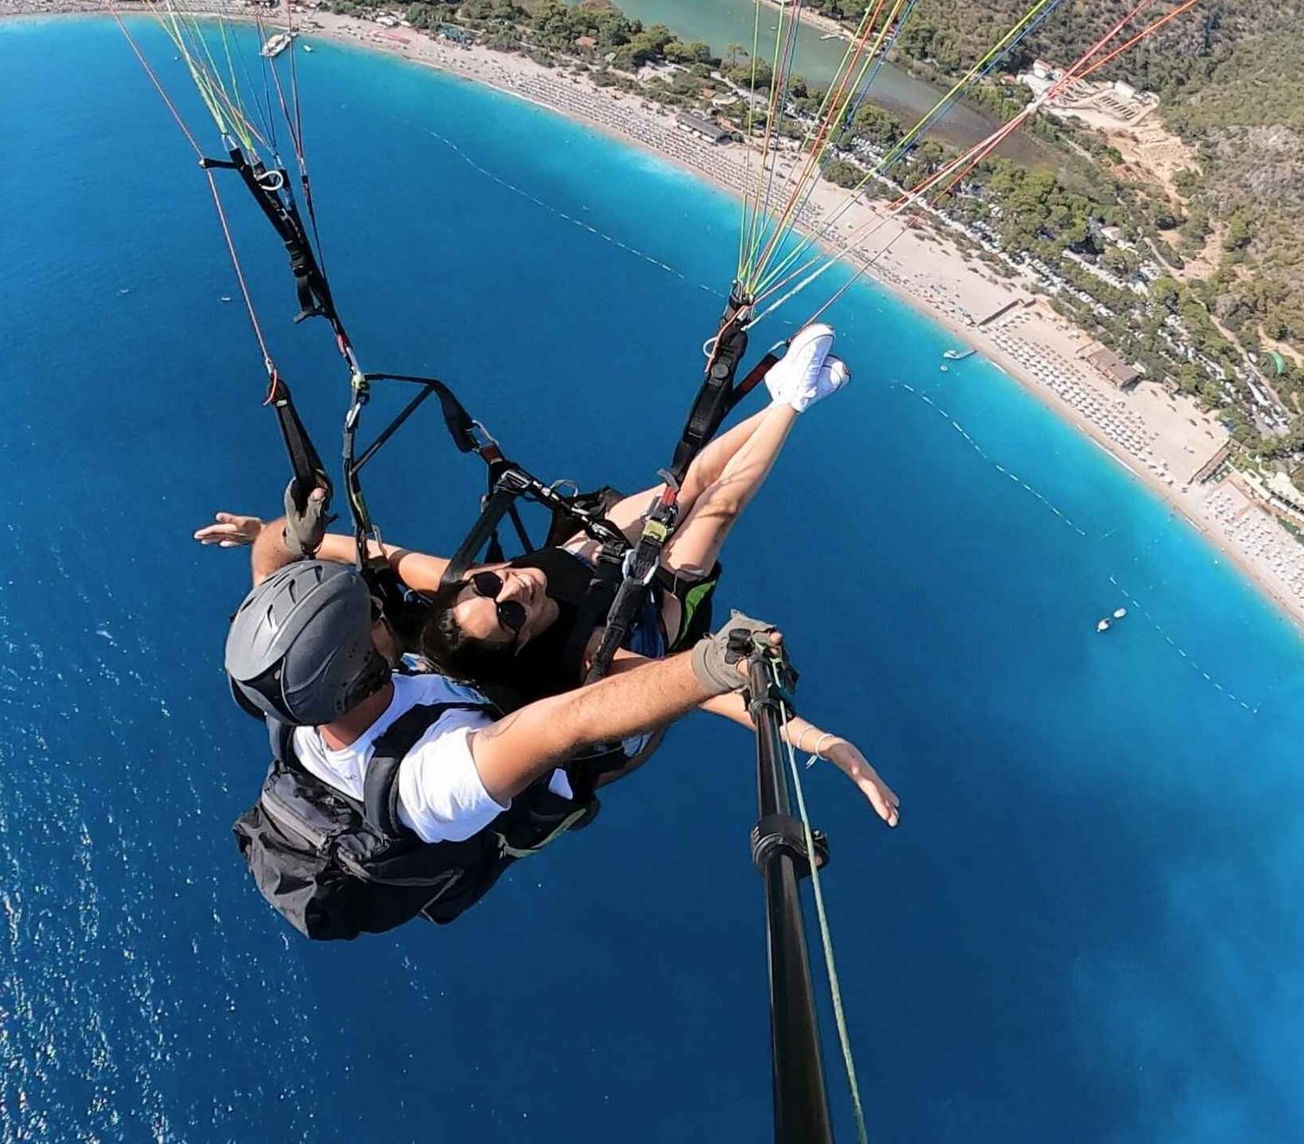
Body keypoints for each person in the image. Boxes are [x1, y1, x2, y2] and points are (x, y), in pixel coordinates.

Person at [201, 322, 898, 825]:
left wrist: (279, 537)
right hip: (629, 644)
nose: (506, 588)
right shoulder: (447, 770)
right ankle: (795, 400)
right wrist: (808, 734)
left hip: (574, 593)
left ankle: (785, 396)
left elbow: (379, 557)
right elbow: (594, 713)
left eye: (487, 586)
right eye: (505, 610)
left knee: (675, 490)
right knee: (711, 518)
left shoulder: (306, 685)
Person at [222, 514, 799, 937]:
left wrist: (285, 534)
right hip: (551, 752)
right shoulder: (431, 782)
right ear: (358, 668)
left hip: (478, 692)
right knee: (636, 670)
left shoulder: (298, 694)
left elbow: (271, 575)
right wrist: (709, 667)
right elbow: (567, 724)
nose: (381, 608)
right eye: (373, 616)